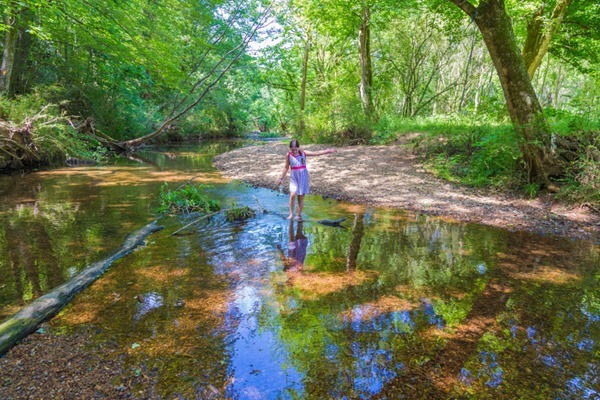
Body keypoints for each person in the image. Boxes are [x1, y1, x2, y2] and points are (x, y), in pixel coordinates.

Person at [277, 139, 336, 221]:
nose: (294, 151)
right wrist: (281, 178)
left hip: (303, 177)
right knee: (292, 195)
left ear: (298, 148)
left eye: (295, 149)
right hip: (294, 177)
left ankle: (298, 215)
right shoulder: (288, 155)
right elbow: (286, 167)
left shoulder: (303, 153)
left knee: (300, 197)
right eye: (292, 150)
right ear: (289, 149)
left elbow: (316, 153)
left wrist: (328, 151)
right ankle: (291, 214)